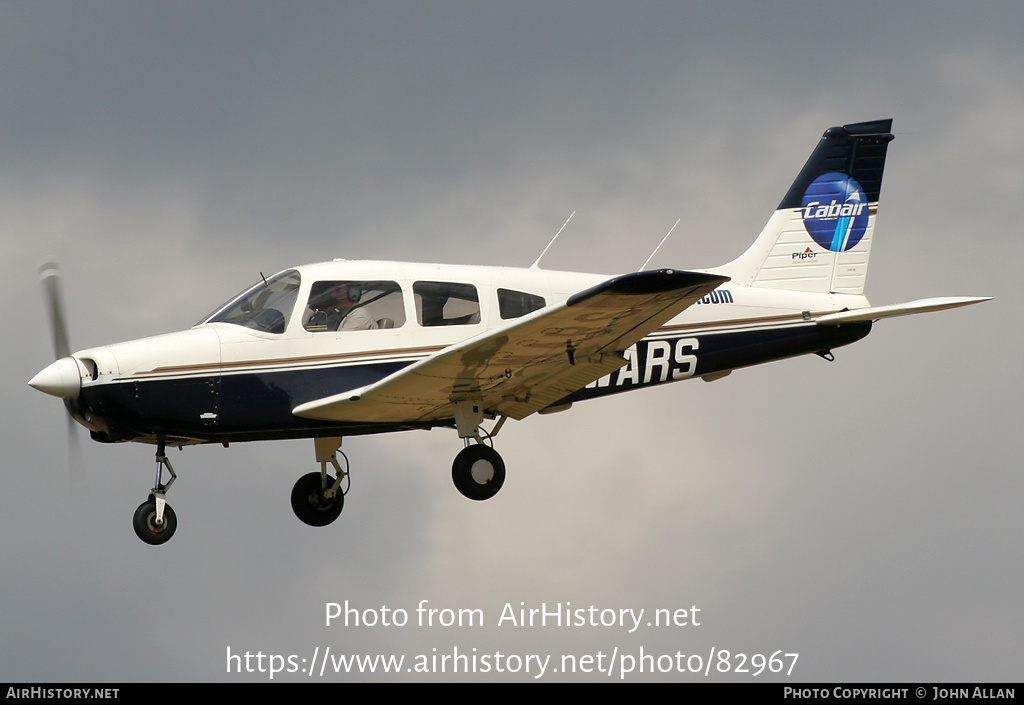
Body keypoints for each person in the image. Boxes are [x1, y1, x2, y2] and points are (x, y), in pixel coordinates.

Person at [305, 282, 378, 331]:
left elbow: (340, 342)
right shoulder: (340, 315)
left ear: (353, 293)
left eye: (337, 290)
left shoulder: (359, 316)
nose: (332, 294)